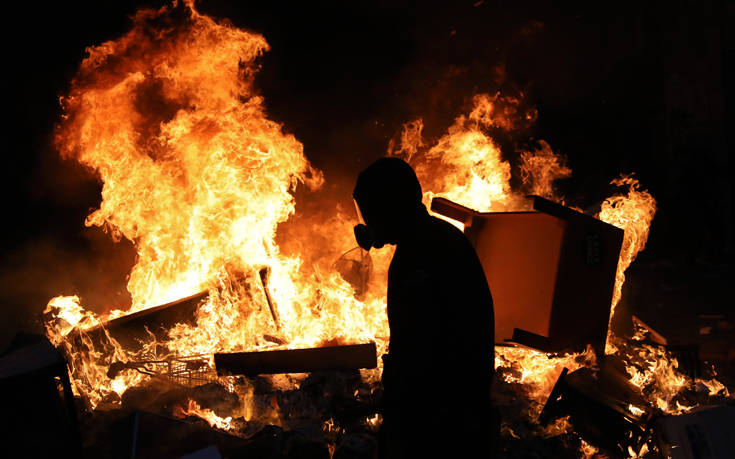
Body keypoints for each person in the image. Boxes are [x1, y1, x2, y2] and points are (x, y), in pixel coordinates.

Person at [352, 157, 496, 458]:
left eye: (371, 213)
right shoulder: (431, 240)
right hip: (445, 413)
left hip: (443, 426)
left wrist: (397, 410)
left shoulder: (426, 253)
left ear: (391, 207)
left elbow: (423, 350)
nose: (367, 222)